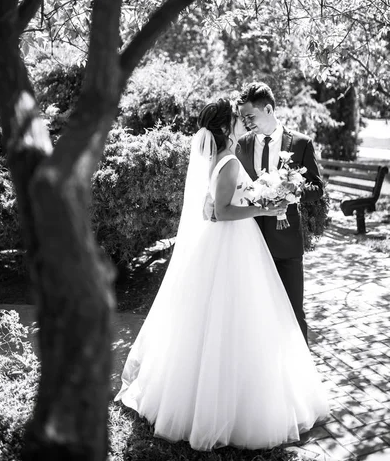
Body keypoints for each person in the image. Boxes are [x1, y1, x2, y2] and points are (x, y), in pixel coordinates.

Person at [114, 98, 329, 451]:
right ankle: (238, 408)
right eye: (237, 118)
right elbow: (224, 212)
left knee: (216, 320)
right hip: (234, 245)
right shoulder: (228, 161)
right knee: (240, 319)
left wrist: (259, 200)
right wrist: (264, 206)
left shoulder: (217, 160)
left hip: (227, 245)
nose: (243, 121)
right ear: (228, 127)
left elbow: (208, 209)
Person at [236, 82, 324, 345]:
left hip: (286, 243)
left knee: (293, 312)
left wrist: (291, 191)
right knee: (256, 315)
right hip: (250, 241)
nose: (246, 121)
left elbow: (317, 188)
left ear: (269, 109)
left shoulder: (300, 143)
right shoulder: (242, 144)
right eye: (242, 117)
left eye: (250, 116)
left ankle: (301, 377)